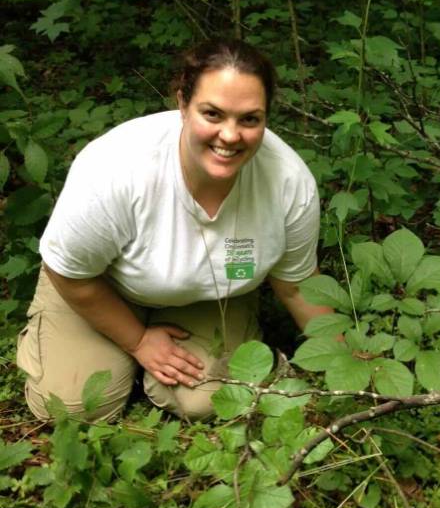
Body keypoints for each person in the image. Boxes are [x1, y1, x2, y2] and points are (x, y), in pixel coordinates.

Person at [17, 39, 333, 422]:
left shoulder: (287, 180)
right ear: (182, 104)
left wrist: (344, 360)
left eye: (249, 119)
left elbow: (296, 284)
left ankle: (186, 346)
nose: (230, 135)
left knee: (206, 401)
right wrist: (138, 340)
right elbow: (70, 273)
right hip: (102, 284)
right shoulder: (116, 168)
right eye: (213, 114)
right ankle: (106, 348)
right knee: (75, 405)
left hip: (209, 294)